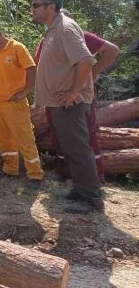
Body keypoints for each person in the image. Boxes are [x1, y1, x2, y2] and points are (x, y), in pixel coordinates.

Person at [30, 0, 103, 213]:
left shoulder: (65, 27)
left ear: (50, 7)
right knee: (71, 148)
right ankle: (80, 189)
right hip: (59, 103)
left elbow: (84, 60)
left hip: (69, 103)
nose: (31, 9)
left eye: (36, 5)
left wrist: (73, 92)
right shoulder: (53, 30)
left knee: (79, 148)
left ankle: (91, 197)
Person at [35, 11, 120, 182]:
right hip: (54, 98)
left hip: (75, 97)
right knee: (59, 135)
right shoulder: (48, 38)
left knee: (84, 136)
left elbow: (112, 50)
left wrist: (93, 72)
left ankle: (94, 178)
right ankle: (67, 173)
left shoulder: (75, 34)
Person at [0, 21, 44, 186]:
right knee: (4, 138)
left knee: (24, 138)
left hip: (15, 103)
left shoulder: (17, 48)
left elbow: (32, 69)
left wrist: (25, 92)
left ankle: (35, 175)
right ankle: (10, 169)